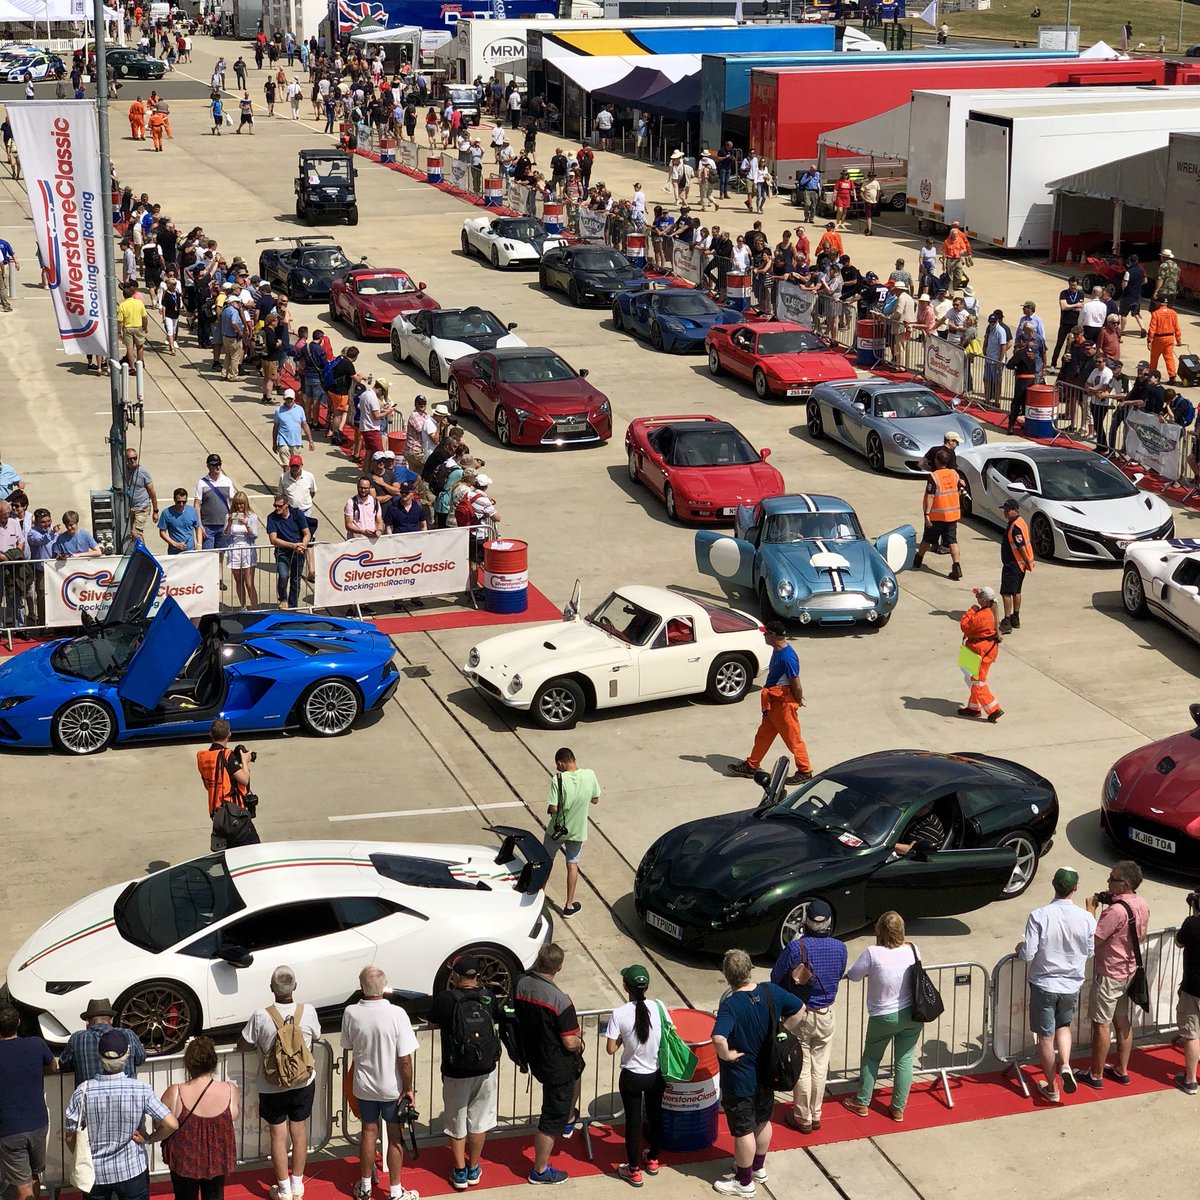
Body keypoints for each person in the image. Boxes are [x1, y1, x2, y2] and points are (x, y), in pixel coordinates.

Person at [711, 949, 803, 1197]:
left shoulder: (730, 1005)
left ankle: (743, 1183)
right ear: (750, 969)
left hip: (740, 1079)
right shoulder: (770, 991)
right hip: (767, 1074)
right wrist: (781, 1031)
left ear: (727, 976)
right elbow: (799, 1008)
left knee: (743, 1130)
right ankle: (757, 1169)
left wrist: (727, 1054)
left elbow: (719, 1037)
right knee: (763, 1121)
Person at [237, 967, 322, 1200]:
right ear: (295, 986)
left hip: (271, 1084)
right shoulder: (309, 1011)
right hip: (303, 1082)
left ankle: (283, 1189)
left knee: (278, 1135)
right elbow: (315, 1036)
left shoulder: (260, 1016)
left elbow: (242, 1044)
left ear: (272, 988)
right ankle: (297, 1185)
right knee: (300, 1132)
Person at [64, 1030, 179, 1200]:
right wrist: (149, 1139)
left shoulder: (83, 1091)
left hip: (95, 1172)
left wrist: (81, 1154)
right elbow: (171, 1124)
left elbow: (70, 1136)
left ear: (99, 1055)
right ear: (127, 1055)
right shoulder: (141, 1090)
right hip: (132, 1169)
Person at [1016, 867, 1096, 1104]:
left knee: (1045, 1037)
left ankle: (1051, 1087)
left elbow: (1028, 953)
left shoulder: (1039, 915)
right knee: (1064, 1026)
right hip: (1071, 985)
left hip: (1044, 982)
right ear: (1076, 889)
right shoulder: (1086, 918)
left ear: (1053, 885)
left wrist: (1019, 948)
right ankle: (1067, 1065)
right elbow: (1090, 951)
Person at [342, 967, 420, 1200]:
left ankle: (365, 1186)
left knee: (368, 1132)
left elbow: (347, 1044)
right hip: (392, 1088)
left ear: (362, 986)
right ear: (385, 986)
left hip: (364, 1085)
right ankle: (395, 1190)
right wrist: (408, 1088)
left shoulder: (351, 1012)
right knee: (395, 1137)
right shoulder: (398, 1014)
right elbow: (404, 1059)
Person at [770, 900, 847, 1133]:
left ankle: (802, 1117)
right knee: (820, 1066)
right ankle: (815, 1114)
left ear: (806, 922)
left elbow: (775, 976)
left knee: (801, 1066)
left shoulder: (796, 949)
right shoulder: (840, 948)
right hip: (826, 1014)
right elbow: (840, 972)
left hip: (801, 1014)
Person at [428, 954, 500, 1191]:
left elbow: (431, 1023)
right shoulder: (488, 997)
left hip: (455, 1071)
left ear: (456, 976)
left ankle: (459, 1172)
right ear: (476, 976)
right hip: (486, 1069)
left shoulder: (446, 999)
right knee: (479, 1121)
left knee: (457, 1121)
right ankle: (474, 1167)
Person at [514, 943, 583, 1185]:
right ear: (559, 968)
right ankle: (540, 1170)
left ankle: (567, 1118)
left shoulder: (521, 984)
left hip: (536, 1057)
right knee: (550, 1118)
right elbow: (570, 1042)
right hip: (557, 1065)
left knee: (579, 1069)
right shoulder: (560, 1000)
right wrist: (580, 1042)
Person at [1077, 860, 1150, 1090]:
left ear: (1124, 884)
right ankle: (1122, 1070)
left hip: (1108, 975)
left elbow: (1093, 941)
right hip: (1127, 973)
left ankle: (1096, 1074)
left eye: (1112, 879)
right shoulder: (1142, 904)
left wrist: (1090, 912)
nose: (1108, 882)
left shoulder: (1115, 912)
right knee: (1122, 1021)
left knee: (1101, 1025)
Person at [844, 912, 922, 1122]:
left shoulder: (873, 953)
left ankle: (862, 1101)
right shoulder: (913, 949)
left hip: (883, 1016)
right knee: (904, 1061)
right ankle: (898, 1108)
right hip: (911, 1014)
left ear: (879, 930)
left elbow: (854, 975)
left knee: (871, 1058)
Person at [727, 621, 811, 785]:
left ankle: (805, 771)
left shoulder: (787, 657)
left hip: (783, 704)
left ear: (773, 636)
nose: (763, 635)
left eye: (765, 633)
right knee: (763, 736)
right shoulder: (778, 650)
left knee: (793, 739)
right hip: (773, 703)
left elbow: (796, 682)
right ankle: (751, 765)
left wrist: (798, 700)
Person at [605, 965, 665, 1187]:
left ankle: (633, 1170)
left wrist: (623, 1038)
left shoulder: (619, 1014)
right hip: (655, 1074)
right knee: (655, 1115)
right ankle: (653, 1159)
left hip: (631, 1076)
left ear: (625, 986)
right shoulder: (658, 1007)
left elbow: (610, 1049)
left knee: (633, 1123)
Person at [160, 1037, 238, 1200]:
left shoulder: (175, 1092)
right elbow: (233, 1117)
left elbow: (160, 1124)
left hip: (184, 1161)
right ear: (214, 1062)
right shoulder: (230, 1090)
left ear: (188, 1063)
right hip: (216, 1160)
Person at [0, 1004, 57, 1200]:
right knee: (33, 1176)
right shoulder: (36, 1044)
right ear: (18, 1023)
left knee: (23, 1186)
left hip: (9, 1129)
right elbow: (53, 1065)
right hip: (38, 1124)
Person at [543, 747, 600, 919]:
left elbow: (553, 807)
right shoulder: (590, 775)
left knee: (546, 860)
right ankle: (568, 906)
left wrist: (551, 809)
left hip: (557, 830)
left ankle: (539, 895)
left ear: (560, 763)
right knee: (572, 864)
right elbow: (595, 799)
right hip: (577, 829)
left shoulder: (558, 779)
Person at [197, 718, 258, 848]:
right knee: (253, 849)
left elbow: (208, 785)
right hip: (234, 814)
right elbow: (244, 779)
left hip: (217, 813)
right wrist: (245, 761)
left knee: (230, 851)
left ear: (210, 735)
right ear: (229, 735)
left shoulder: (202, 757)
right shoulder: (227, 755)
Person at [59, 998, 147, 1087]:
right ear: (111, 1020)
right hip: (127, 1093)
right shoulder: (128, 1034)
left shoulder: (77, 1038)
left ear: (87, 1022)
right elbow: (140, 1058)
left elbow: (64, 1065)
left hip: (89, 1096)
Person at [912, 447, 962, 579]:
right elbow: (959, 484)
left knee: (927, 539)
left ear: (936, 461)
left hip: (937, 516)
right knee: (952, 541)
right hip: (952, 516)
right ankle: (956, 566)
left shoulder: (934, 477)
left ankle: (918, 560)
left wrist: (926, 514)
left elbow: (930, 496)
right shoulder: (954, 474)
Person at [957, 585, 1003, 721]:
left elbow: (965, 627)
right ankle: (973, 708)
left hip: (980, 652)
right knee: (974, 679)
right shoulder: (990, 612)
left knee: (977, 682)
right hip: (986, 650)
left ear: (983, 600)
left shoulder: (982, 615)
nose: (976, 598)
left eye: (978, 596)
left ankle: (994, 709)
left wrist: (971, 611)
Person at [1174, 890, 1200, 1094]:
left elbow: (1179, 942)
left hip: (1193, 989)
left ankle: (1190, 1080)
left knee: (1191, 1034)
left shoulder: (1192, 923)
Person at [267, 494, 311, 611]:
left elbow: (307, 533)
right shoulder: (271, 518)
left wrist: (303, 545)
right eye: (275, 506)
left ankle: (293, 607)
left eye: (279, 506)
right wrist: (292, 545)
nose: (276, 508)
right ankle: (282, 599)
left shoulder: (297, 514)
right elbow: (273, 539)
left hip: (298, 552)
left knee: (295, 580)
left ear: (286, 505)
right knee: (283, 575)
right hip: (282, 552)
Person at [998, 499, 1033, 634]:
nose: (1005, 513)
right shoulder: (1020, 522)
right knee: (1016, 591)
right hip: (1020, 565)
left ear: (1015, 510)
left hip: (1013, 565)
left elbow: (1021, 547)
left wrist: (1027, 561)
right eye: (1004, 511)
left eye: (1008, 510)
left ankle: (1007, 621)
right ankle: (1015, 617)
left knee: (1006, 593)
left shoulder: (1015, 526)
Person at [224, 492, 259, 609]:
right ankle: (243, 606)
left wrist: (247, 525)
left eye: (242, 504)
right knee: (239, 580)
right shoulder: (229, 515)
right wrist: (229, 522)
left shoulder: (252, 516)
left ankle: (254, 608)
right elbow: (226, 535)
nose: (239, 507)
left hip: (247, 549)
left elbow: (254, 535)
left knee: (249, 583)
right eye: (237, 504)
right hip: (234, 550)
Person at [195, 454, 236, 550]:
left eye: (219, 464)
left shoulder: (227, 481)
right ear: (208, 466)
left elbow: (232, 501)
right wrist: (199, 525)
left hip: (224, 524)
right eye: (214, 465)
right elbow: (197, 505)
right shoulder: (202, 483)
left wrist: (232, 521)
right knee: (208, 554)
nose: (217, 467)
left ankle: (220, 566)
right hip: (207, 526)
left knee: (221, 553)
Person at [1146, 299, 1182, 382]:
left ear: (1159, 303)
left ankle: (1152, 376)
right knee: (1169, 358)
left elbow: (1152, 328)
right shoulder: (1173, 313)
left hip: (1158, 339)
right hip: (1170, 338)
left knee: (1154, 358)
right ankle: (1172, 376)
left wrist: (1149, 340)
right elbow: (1177, 327)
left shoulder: (1156, 313)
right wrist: (1178, 339)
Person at [158, 488, 201, 554]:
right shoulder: (166, 513)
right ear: (174, 499)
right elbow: (162, 532)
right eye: (178, 502)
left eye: (184, 502)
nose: (181, 504)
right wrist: (175, 544)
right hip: (174, 552)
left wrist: (199, 544)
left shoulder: (192, 511)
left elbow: (198, 528)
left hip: (191, 552)